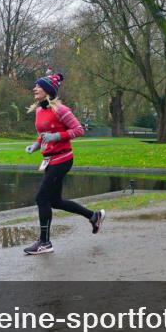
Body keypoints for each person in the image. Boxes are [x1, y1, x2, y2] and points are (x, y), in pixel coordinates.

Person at [23, 72, 105, 255]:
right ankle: (94, 216)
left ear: (48, 91)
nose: (35, 88)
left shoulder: (61, 110)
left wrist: (57, 136)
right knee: (55, 201)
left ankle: (45, 242)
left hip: (62, 159)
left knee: (41, 198)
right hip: (49, 159)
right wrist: (36, 145)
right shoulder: (39, 110)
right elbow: (43, 133)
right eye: (35, 85)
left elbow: (79, 130)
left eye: (39, 86)